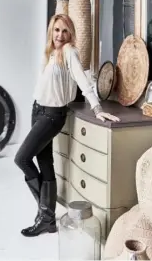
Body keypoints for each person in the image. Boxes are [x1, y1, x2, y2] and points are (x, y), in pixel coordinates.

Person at [14, 14, 120, 237]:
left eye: (64, 31)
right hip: (38, 109)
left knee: (22, 159)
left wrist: (98, 109)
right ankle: (47, 220)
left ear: (70, 34)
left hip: (52, 115)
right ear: (51, 31)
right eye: (56, 30)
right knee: (45, 162)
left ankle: (45, 215)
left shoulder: (70, 52)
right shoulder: (50, 52)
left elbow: (83, 80)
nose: (60, 35)